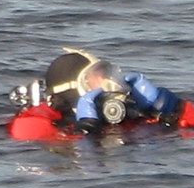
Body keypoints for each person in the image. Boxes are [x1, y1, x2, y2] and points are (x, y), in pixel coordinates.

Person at [44, 47, 183, 134]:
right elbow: (84, 167)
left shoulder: (129, 117)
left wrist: (171, 108)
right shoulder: (48, 129)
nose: (109, 81)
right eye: (98, 77)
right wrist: (86, 129)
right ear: (73, 88)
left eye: (107, 73)